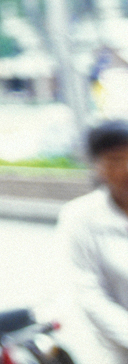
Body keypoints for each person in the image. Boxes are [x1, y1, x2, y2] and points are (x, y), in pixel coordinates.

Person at [58, 119, 128, 363]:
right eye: (117, 160)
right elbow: (89, 295)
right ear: (99, 166)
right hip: (114, 351)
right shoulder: (80, 217)